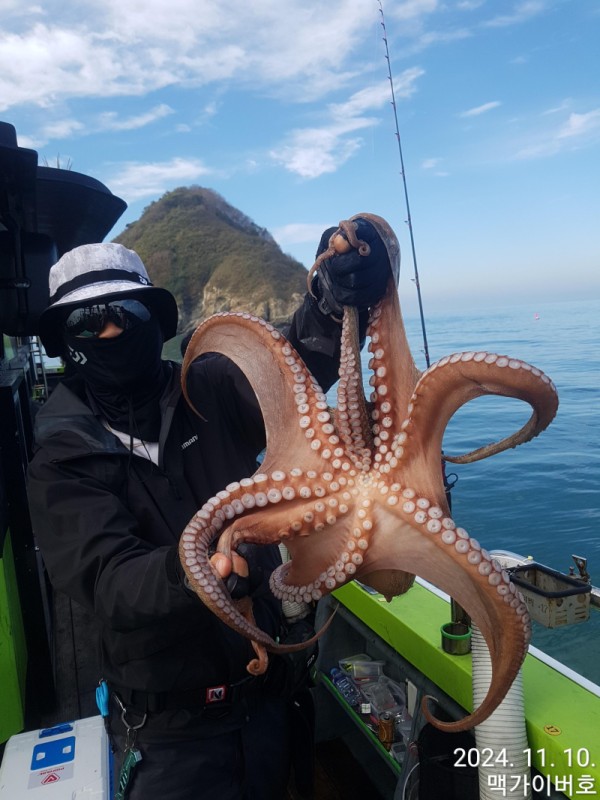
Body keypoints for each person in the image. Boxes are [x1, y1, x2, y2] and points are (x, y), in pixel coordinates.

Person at [27, 218, 391, 800]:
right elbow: (108, 580)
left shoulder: (211, 389)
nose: (112, 331)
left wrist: (332, 300)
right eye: (87, 321)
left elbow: (289, 376)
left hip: (267, 700)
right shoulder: (61, 460)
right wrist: (195, 568)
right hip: (168, 736)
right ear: (63, 341)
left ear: (157, 321)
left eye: (127, 313)